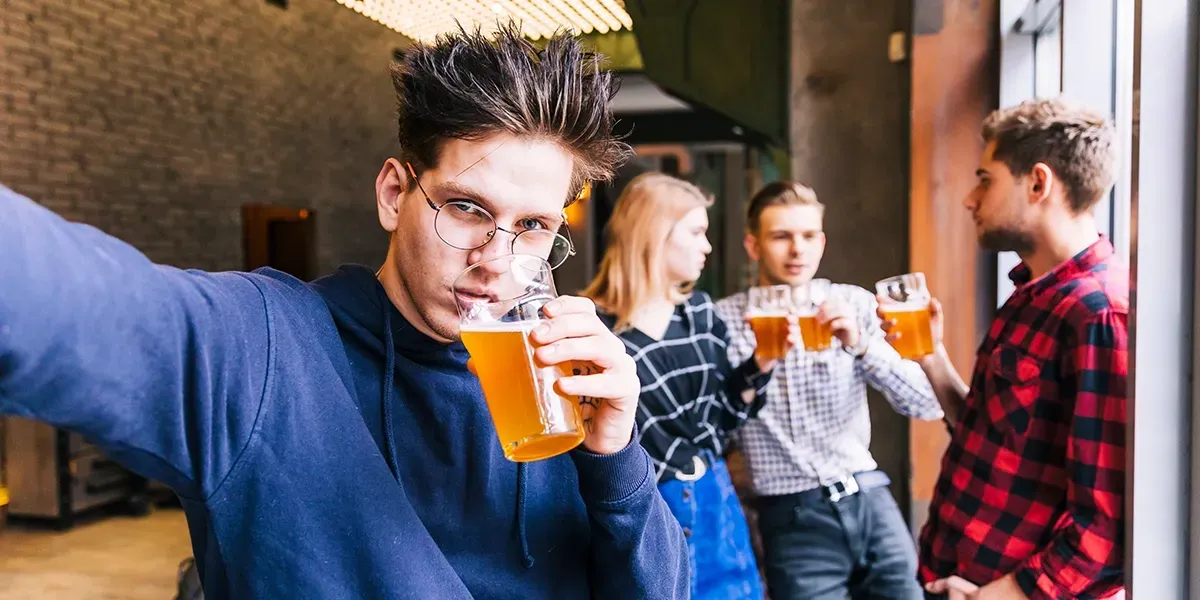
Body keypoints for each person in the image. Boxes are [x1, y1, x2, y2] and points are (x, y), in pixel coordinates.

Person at [0, 25, 688, 599]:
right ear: (395, 194)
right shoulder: (267, 350)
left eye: (533, 226)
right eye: (467, 208)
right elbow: (73, 299)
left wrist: (617, 461)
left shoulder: (559, 384)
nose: (496, 259)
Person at [906, 98, 1128, 600]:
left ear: (1037, 183)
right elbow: (992, 437)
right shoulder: (1035, 292)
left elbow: (1106, 526)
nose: (970, 198)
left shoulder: (1099, 313)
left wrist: (1003, 596)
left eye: (986, 179)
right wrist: (931, 358)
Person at [715, 181, 943, 599]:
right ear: (753, 245)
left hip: (869, 494)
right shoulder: (724, 320)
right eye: (781, 236)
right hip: (791, 514)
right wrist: (757, 366)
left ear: (821, 242)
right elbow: (716, 422)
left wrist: (861, 345)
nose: (797, 250)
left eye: (807, 236)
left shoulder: (853, 303)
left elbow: (928, 403)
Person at [582, 172, 794, 599]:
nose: (707, 247)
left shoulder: (700, 315)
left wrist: (762, 364)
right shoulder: (592, 327)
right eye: (696, 232)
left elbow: (724, 417)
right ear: (655, 234)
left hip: (713, 492)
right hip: (641, 500)